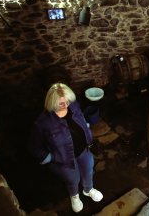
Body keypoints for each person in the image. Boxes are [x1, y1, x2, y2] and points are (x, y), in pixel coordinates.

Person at [28, 83, 103, 213]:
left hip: (83, 150)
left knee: (88, 169)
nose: (66, 105)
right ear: (52, 102)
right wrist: (49, 157)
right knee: (73, 178)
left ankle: (88, 190)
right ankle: (74, 196)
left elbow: (81, 120)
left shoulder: (74, 106)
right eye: (61, 103)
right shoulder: (43, 123)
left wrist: (86, 128)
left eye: (67, 100)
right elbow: (33, 146)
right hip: (63, 158)